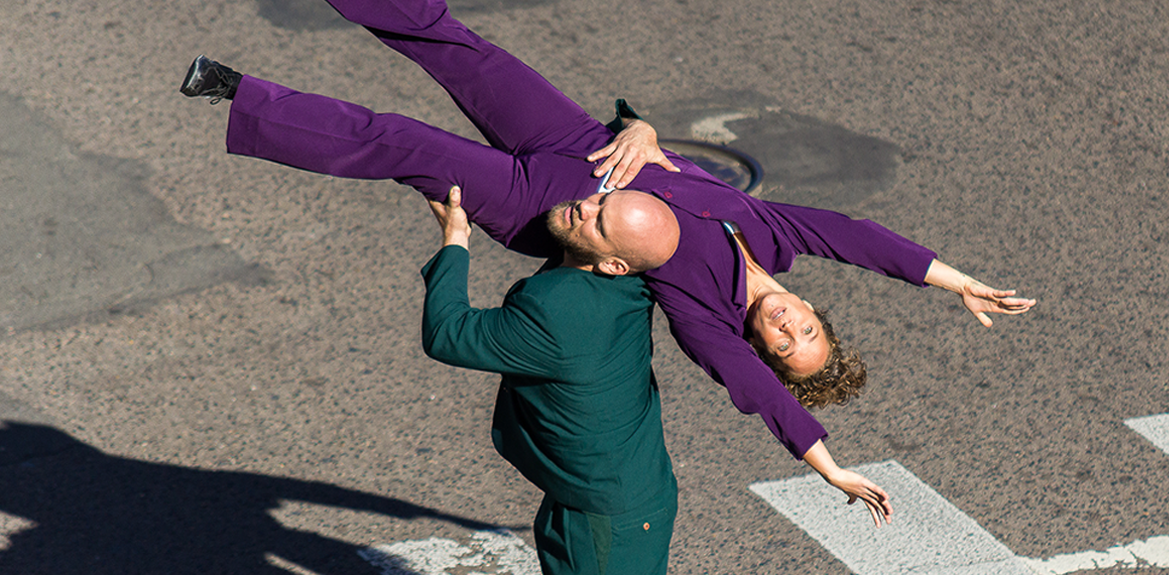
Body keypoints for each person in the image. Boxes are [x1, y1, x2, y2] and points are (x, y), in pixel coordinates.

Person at [180, 0, 1034, 525]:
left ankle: (236, 93)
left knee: (398, 141)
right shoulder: (776, 233)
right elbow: (862, 236)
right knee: (453, 44)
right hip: (575, 140)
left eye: (782, 341)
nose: (782, 325)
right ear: (812, 308)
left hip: (539, 202)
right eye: (802, 325)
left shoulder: (705, 319)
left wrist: (828, 464)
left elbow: (757, 396)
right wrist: (955, 279)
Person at [421, 186, 677, 574]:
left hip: (604, 516)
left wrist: (455, 237)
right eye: (603, 198)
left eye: (600, 221)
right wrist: (640, 132)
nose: (585, 206)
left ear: (613, 265)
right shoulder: (639, 279)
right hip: (628, 490)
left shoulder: (553, 310)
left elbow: (447, 333)